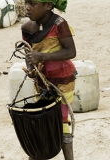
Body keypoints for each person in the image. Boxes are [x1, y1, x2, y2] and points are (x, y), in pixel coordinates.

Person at [21, 0, 77, 160]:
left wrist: (43, 56)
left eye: (32, 3)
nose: (27, 7)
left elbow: (71, 51)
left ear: (49, 6)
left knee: (62, 120)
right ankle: (36, 155)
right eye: (26, 2)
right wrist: (32, 71)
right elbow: (29, 55)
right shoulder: (26, 28)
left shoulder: (59, 24)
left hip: (64, 81)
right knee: (42, 118)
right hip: (42, 82)